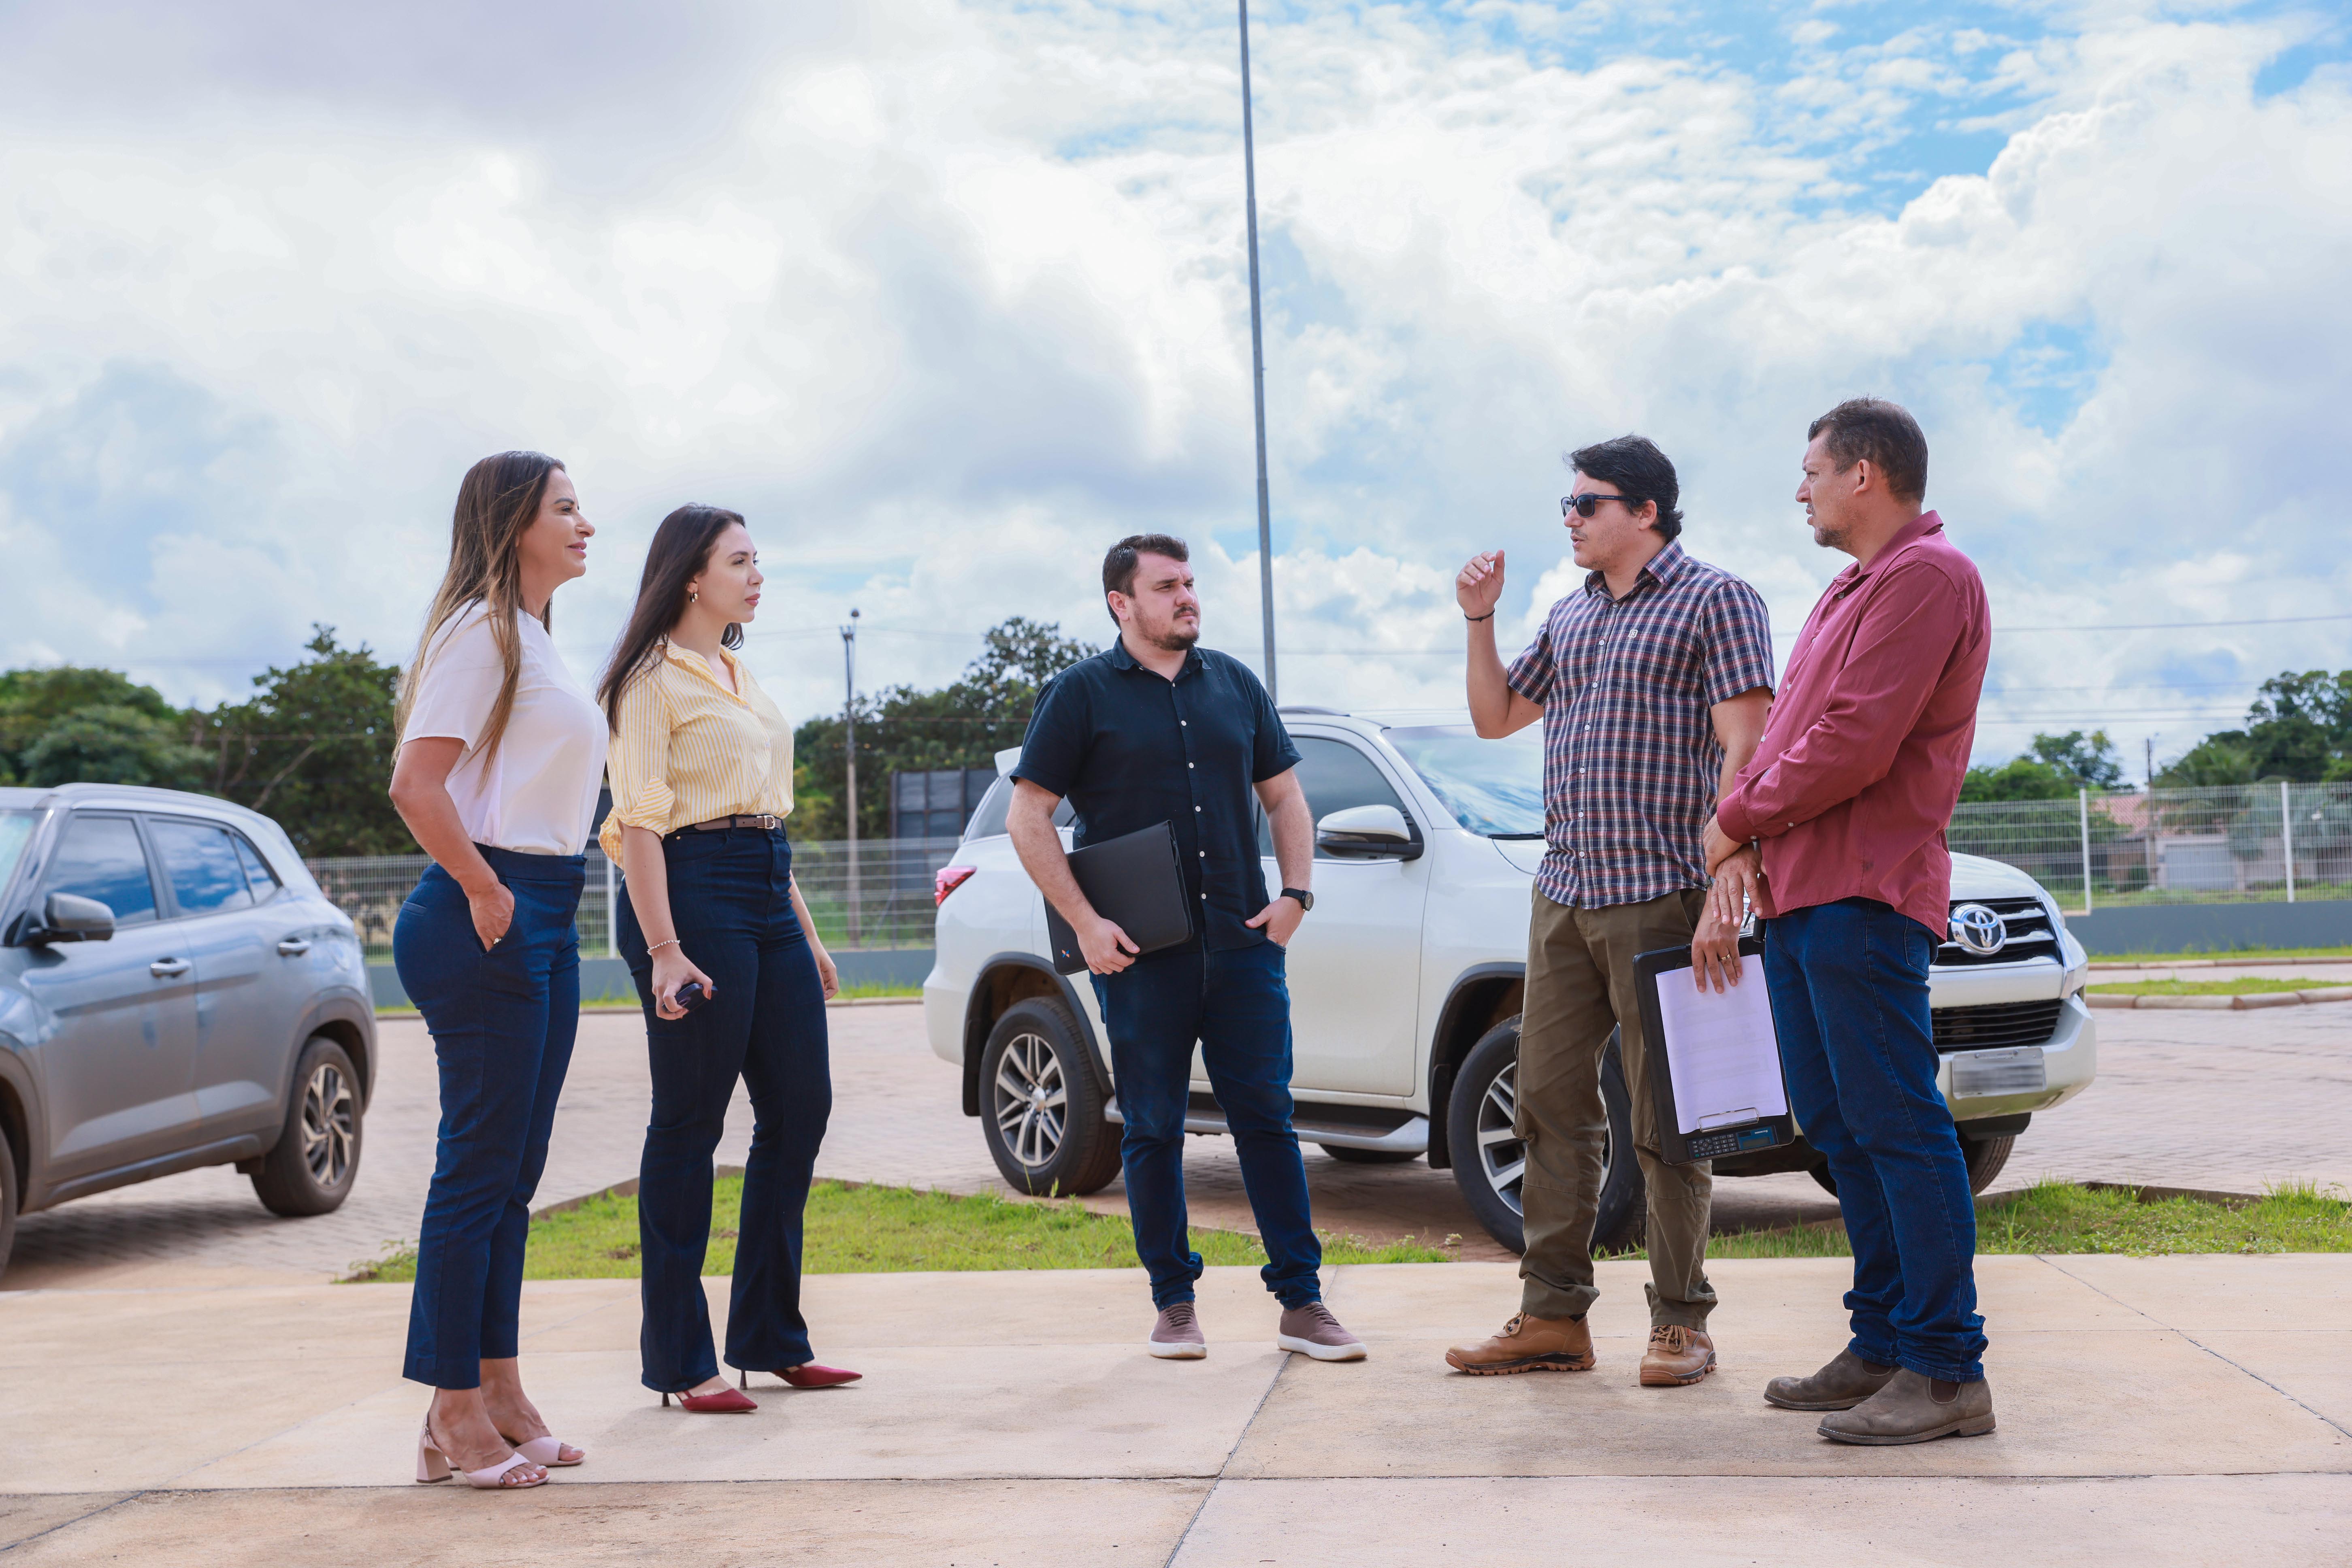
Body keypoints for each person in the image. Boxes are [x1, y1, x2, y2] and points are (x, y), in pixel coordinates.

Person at [1443, 436, 1776, 1386]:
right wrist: (1480, 619)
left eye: (1586, 503)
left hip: (1665, 890)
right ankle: (1553, 1316)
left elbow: (1742, 747)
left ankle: (1682, 1322)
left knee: (1671, 1114)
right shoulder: (1571, 614)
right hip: (1566, 891)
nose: (1571, 518)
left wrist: (1730, 875)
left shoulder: (1718, 600)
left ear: (1645, 510)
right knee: (1547, 1100)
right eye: (1567, 503)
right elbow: (1497, 717)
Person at [1704, 398, 1995, 1444]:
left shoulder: (1928, 578)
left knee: (1899, 1127)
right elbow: (1789, 730)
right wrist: (1745, 840)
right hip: (1803, 891)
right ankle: (1882, 1342)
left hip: (1864, 896)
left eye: (1813, 471)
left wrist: (1732, 818)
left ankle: (1946, 1366)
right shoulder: (1850, 590)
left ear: (1864, 475)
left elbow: (1852, 743)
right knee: (1836, 1127)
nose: (1802, 490)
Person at [1005, 533, 1364, 1363]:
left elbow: (1285, 796)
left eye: (1191, 583)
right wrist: (1087, 923)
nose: (1187, 598)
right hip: (1142, 956)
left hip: (1242, 946)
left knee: (1268, 1122)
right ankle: (1174, 1303)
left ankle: (1302, 1303)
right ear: (1121, 604)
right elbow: (1032, 816)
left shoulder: (1234, 683)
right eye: (1167, 587)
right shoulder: (1080, 694)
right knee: (1154, 1125)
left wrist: (1296, 896)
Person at [597, 503, 854, 1414]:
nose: (757, 575)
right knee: (690, 1123)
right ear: (692, 576)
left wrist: (811, 937)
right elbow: (638, 822)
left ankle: (769, 1336)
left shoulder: (738, 671)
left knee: (801, 1107)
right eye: (741, 560)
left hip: (765, 889)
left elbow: (763, 816)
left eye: (759, 559)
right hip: (689, 892)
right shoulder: (646, 681)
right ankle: (679, 1358)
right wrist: (665, 950)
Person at [389, 450, 607, 1489]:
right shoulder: (480, 633)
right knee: (476, 1170)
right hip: (487, 909)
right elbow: (415, 783)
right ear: (514, 521)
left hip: (545, 907)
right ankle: (450, 1410)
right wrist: (484, 888)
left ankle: (502, 1387)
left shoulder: (538, 641)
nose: (585, 525)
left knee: (513, 1178)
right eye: (566, 508)